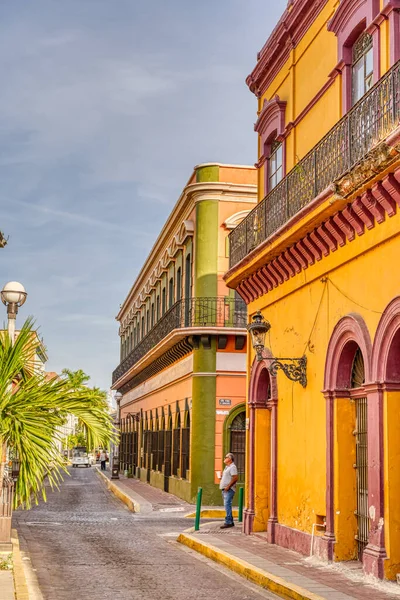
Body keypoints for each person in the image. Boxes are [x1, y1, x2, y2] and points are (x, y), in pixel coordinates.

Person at [218, 452, 238, 529]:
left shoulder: (233, 467)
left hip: (229, 489)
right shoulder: (227, 467)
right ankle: (230, 521)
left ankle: (228, 522)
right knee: (227, 505)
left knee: (227, 505)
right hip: (225, 489)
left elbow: (235, 478)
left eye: (225, 457)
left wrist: (228, 486)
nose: (224, 458)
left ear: (230, 459)